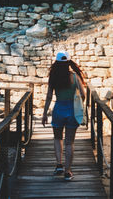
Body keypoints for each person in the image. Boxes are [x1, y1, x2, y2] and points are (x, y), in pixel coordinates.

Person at [42, 50, 85, 181]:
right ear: (68, 63)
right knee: (69, 142)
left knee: (57, 138)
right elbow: (83, 95)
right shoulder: (75, 77)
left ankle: (59, 165)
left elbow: (49, 96)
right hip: (72, 110)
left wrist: (44, 114)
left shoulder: (53, 77)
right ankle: (68, 172)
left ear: (57, 62)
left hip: (58, 110)